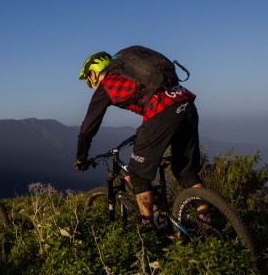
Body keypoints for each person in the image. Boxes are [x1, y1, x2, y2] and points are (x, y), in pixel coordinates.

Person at [74, 50, 208, 229]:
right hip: (187, 106)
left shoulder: (107, 84)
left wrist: (81, 158)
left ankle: (149, 227)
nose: (89, 85)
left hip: (163, 114)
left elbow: (86, 130)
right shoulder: (132, 73)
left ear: (93, 73)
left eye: (87, 81)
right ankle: (206, 221)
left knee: (137, 175)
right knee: (186, 172)